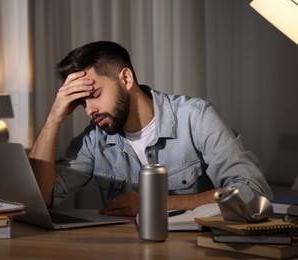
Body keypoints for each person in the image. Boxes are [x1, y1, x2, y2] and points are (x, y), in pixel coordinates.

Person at [29, 41, 272, 217]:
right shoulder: (94, 140)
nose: (89, 110)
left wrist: (156, 203)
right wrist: (53, 118)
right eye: (81, 103)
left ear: (126, 79)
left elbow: (253, 193)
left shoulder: (196, 117)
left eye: (94, 95)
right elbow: (41, 199)